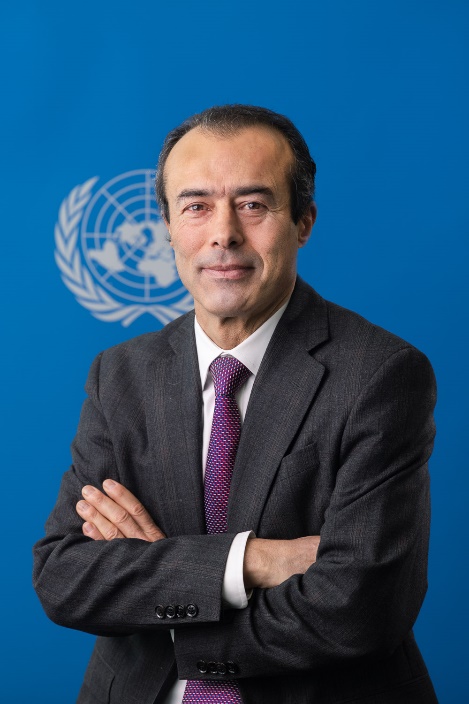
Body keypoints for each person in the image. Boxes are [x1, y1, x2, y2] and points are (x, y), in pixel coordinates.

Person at [33, 105, 438, 704]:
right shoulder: (120, 375)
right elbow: (65, 576)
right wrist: (247, 562)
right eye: (196, 206)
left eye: (252, 205)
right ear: (167, 226)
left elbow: (361, 607)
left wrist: (168, 603)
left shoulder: (380, 375)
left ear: (303, 221)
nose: (223, 234)